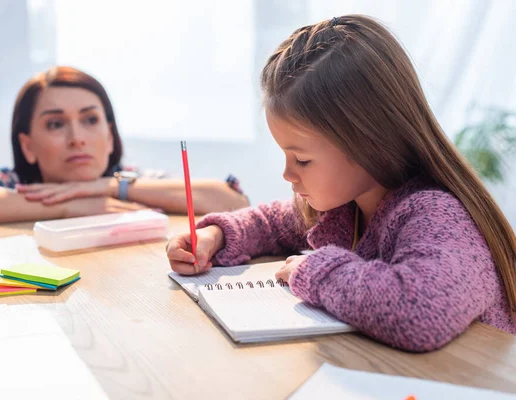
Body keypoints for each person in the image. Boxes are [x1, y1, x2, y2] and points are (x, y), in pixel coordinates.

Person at [166, 15, 516, 352]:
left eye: (302, 159)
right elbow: (271, 222)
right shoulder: (343, 208)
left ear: (368, 141)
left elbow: (420, 311)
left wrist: (313, 271)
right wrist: (216, 236)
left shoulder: (435, 214)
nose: (288, 174)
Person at [0, 67, 249, 224]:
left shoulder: (127, 181)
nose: (77, 138)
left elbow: (234, 201)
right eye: (56, 124)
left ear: (109, 135)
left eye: (90, 120)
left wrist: (108, 187)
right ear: (28, 146)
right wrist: (63, 207)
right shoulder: (13, 184)